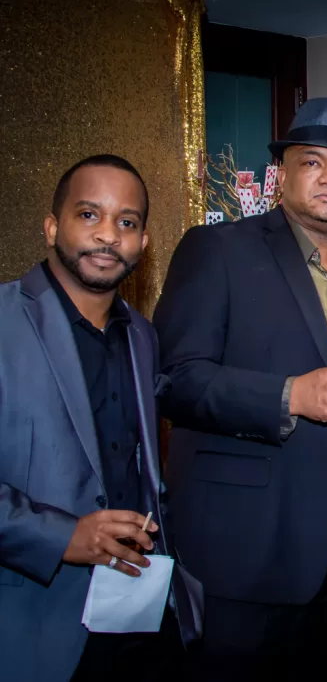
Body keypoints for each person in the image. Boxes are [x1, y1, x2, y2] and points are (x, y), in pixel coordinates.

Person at [153, 97, 327, 681]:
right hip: (246, 543)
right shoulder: (218, 250)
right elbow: (172, 378)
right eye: (313, 162)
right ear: (282, 175)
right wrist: (291, 395)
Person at [0, 155, 203, 682]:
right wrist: (59, 538)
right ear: (52, 227)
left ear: (143, 241)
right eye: (89, 215)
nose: (108, 235)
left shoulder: (142, 335)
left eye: (127, 222)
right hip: (33, 616)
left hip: (136, 605)